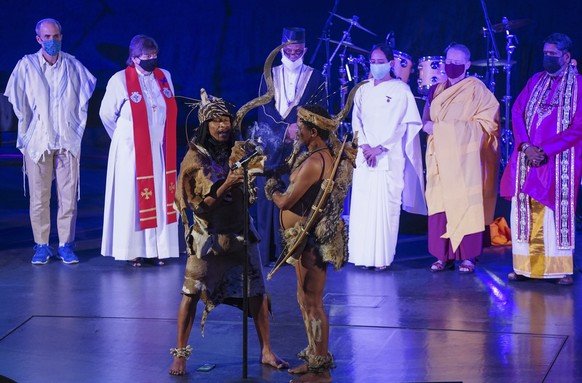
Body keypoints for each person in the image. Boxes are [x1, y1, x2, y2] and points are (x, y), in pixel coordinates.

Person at [170, 89, 287, 375]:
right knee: (190, 294)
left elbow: (265, 169)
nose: (223, 125)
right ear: (205, 125)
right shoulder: (194, 160)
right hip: (207, 238)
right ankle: (180, 354)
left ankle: (266, 351)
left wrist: (282, 160)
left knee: (257, 293)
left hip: (240, 232)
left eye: (226, 120)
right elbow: (200, 209)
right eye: (216, 121)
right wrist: (227, 184)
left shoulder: (239, 149)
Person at [266, 97, 359, 382]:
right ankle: (314, 355)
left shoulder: (316, 162)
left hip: (311, 241)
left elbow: (285, 202)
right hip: (302, 240)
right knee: (304, 300)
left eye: (301, 127)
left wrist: (272, 188)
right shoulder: (312, 155)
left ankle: (321, 371)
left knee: (313, 302)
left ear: (313, 132)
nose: (297, 131)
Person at [4, 18, 96, 265]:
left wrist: (73, 125)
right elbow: (16, 99)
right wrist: (31, 125)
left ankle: (66, 244)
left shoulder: (73, 66)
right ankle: (42, 245)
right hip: (39, 142)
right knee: (39, 197)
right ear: (38, 39)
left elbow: (84, 95)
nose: (52, 41)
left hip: (66, 141)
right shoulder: (27, 66)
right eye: (47, 37)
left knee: (68, 197)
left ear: (61, 37)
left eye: (56, 36)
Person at [500, 33, 582, 286]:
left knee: (554, 211)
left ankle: (560, 269)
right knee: (523, 209)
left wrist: (545, 150)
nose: (547, 58)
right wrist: (525, 147)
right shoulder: (535, 80)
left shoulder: (579, 84)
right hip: (528, 157)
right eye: (545, 53)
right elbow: (517, 111)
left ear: (566, 57)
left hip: (559, 161)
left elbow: (578, 126)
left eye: (553, 54)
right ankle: (524, 267)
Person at [99, 35, 179, 266]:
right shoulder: (119, 80)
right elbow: (106, 114)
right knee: (133, 198)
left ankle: (158, 249)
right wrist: (124, 139)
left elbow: (166, 109)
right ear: (134, 58)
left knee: (160, 193)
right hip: (130, 149)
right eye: (147, 57)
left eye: (155, 56)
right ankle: (132, 250)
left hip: (160, 148)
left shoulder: (164, 77)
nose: (152, 60)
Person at [422, 43, 500, 273]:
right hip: (439, 159)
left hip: (465, 162)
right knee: (440, 203)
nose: (451, 66)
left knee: (465, 203)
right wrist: (431, 128)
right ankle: (442, 255)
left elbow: (488, 126)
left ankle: (467, 257)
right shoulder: (435, 89)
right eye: (448, 61)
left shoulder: (478, 90)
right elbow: (427, 122)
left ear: (467, 64)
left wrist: (442, 129)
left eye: (457, 62)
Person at [348, 43, 427, 270]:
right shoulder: (362, 89)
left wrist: (381, 148)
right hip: (364, 156)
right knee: (363, 206)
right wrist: (364, 146)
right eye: (373, 62)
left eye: (380, 62)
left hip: (388, 157)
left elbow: (404, 126)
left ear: (391, 63)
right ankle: (361, 256)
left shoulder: (401, 90)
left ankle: (382, 258)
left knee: (385, 207)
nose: (376, 66)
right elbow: (357, 120)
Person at [256, 27, 327, 266]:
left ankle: (293, 250)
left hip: (302, 145)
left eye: (298, 51)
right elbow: (263, 109)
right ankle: (267, 252)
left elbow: (319, 110)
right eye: (289, 50)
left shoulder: (315, 76)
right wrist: (284, 130)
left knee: (297, 196)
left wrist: (301, 130)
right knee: (270, 196)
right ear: (281, 48)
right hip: (273, 145)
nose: (294, 55)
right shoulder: (269, 73)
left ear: (304, 49)